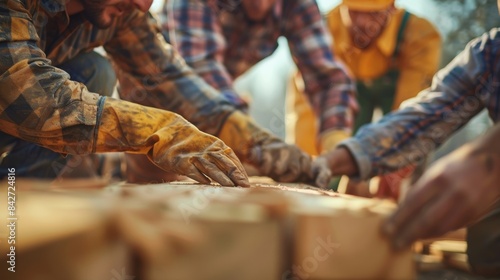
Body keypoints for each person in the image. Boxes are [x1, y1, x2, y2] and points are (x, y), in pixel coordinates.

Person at [0, 0, 329, 187]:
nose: (144, 5)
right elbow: (23, 91)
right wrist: (157, 132)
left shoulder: (122, 9)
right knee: (92, 73)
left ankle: (18, 203)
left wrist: (256, 143)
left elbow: (170, 81)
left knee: (94, 71)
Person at [316, 3, 500, 274]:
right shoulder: (489, 55)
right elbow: (421, 118)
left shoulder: (420, 35)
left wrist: (490, 159)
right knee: (487, 247)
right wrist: (337, 158)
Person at [160, 0, 358, 157]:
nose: (260, 4)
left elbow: (328, 80)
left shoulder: (298, 5)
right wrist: (250, 137)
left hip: (217, 101)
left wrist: (336, 141)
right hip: (152, 89)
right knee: (159, 177)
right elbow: (201, 70)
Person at [291, 0, 441, 197]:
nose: (361, 22)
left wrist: (393, 167)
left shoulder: (421, 36)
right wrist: (308, 171)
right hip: (344, 104)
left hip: (399, 106)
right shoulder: (324, 31)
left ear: (391, 9)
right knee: (326, 166)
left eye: (372, 14)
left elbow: (411, 116)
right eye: (353, 12)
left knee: (402, 182)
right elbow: (311, 111)